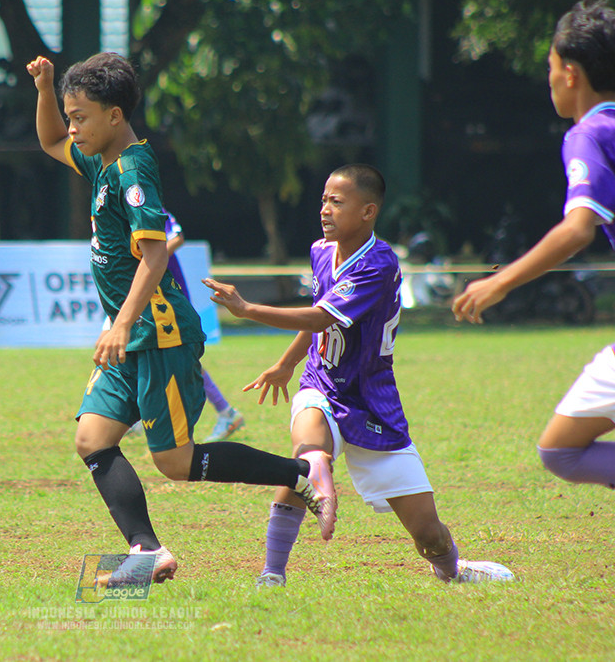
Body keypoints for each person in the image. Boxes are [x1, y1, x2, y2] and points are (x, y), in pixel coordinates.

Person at [26, 52, 334, 583]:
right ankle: (148, 552)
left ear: (116, 115)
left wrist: (120, 323)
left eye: (80, 115)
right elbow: (50, 142)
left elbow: (155, 256)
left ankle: (301, 473)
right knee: (92, 439)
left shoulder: (133, 169)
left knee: (173, 461)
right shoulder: (99, 157)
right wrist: (47, 88)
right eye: (69, 114)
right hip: (132, 333)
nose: (71, 126)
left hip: (159, 332)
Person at [204, 164, 514, 585]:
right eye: (324, 200)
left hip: (372, 400)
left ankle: (451, 571)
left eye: (337, 201)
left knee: (428, 534)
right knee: (305, 457)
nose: (325, 210)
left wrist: (247, 309)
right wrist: (288, 364)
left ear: (368, 211)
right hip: (322, 382)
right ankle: (272, 574)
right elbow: (319, 322)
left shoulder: (378, 264)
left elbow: (318, 317)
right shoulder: (320, 251)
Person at [452, 0, 615, 491]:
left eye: (548, 67)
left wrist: (500, 281)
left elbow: (578, 227)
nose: (546, 79)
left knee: (561, 450)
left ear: (570, 73)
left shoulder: (589, 134)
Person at [124, 210, 245, 441]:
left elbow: (177, 237)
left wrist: (149, 257)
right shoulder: (122, 213)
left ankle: (226, 411)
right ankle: (138, 415)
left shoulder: (149, 208)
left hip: (169, 298)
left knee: (181, 358)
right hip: (148, 296)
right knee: (144, 350)